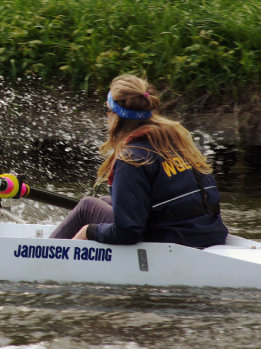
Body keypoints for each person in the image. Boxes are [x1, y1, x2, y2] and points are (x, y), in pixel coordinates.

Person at [50, 74, 228, 247]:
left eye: (107, 110)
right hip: (210, 233)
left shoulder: (132, 159)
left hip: (174, 241)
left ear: (116, 116)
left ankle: (43, 256)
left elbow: (127, 233)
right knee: (104, 201)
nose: (106, 116)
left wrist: (88, 231)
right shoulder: (178, 142)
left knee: (87, 207)